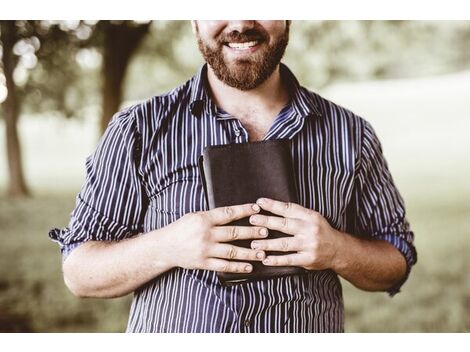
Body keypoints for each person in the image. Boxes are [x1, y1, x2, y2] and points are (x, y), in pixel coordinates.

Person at [49, 20, 417, 333]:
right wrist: (169, 246)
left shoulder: (351, 134)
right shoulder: (139, 129)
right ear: (194, 19)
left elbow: (395, 260)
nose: (240, 21)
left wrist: (337, 249)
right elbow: (79, 272)